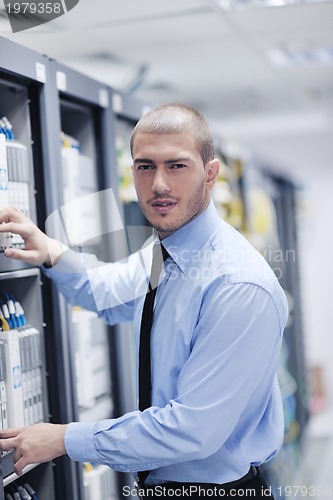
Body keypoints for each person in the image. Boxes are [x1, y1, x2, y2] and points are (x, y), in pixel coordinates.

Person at [0, 104, 288, 498]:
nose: (159, 185)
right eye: (145, 166)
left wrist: (67, 438)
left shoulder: (237, 285)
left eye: (177, 166)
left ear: (211, 173)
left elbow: (192, 431)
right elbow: (108, 292)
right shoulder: (164, 253)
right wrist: (50, 250)